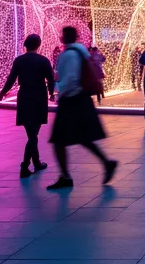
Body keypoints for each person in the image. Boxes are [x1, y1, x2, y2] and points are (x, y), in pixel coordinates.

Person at [47, 26, 118, 190]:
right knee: (83, 138)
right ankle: (107, 163)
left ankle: (65, 176)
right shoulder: (81, 52)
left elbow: (71, 78)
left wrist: (60, 91)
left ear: (66, 37)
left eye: (62, 35)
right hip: (81, 99)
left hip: (72, 99)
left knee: (58, 140)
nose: (61, 37)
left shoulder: (70, 54)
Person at [0, 34, 56, 178]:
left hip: (24, 96)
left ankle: (36, 163)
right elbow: (51, 78)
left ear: (25, 45)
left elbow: (11, 79)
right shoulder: (43, 60)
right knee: (34, 134)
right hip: (39, 96)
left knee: (31, 133)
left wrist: (1, 94)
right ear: (38, 45)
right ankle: (25, 165)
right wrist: (51, 93)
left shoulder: (19, 60)